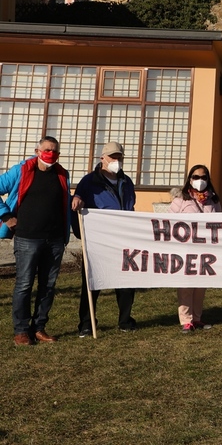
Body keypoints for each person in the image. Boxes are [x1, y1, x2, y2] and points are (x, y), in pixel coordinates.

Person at [0, 136, 73, 346]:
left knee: (48, 286)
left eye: (55, 151)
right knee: (24, 284)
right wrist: (6, 216)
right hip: (27, 238)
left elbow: (64, 201)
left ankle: (39, 328)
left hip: (55, 240)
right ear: (37, 151)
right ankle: (21, 331)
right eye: (47, 150)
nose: (51, 154)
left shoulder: (62, 174)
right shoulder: (21, 170)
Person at [73, 141, 138, 336]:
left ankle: (125, 321)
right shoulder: (88, 182)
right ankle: (86, 323)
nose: (116, 160)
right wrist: (81, 233)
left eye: (119, 157)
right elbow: (77, 206)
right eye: (112, 157)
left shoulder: (127, 181)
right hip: (97, 241)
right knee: (92, 282)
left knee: (126, 283)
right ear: (102, 158)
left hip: (123, 239)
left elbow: (131, 206)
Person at [168, 164, 220, 333]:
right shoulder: (180, 201)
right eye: (196, 177)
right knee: (186, 286)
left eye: (203, 177)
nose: (200, 180)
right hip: (186, 250)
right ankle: (186, 320)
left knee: (200, 286)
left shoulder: (213, 201)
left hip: (205, 251)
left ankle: (197, 318)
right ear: (190, 180)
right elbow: (168, 223)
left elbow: (220, 224)